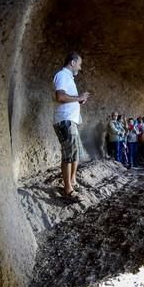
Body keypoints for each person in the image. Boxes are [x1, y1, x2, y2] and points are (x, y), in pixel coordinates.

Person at [52, 52, 89, 201]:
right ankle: (67, 190)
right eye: (79, 64)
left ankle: (72, 181)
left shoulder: (69, 78)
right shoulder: (61, 75)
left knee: (75, 153)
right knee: (69, 155)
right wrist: (79, 97)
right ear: (72, 63)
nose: (80, 68)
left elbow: (67, 97)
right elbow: (60, 97)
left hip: (70, 120)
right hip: (64, 120)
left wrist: (78, 100)